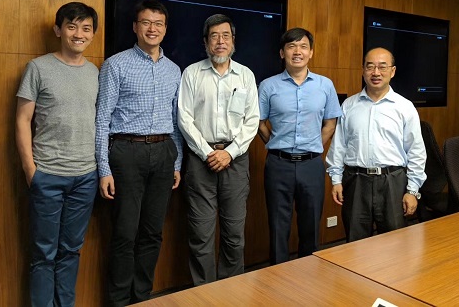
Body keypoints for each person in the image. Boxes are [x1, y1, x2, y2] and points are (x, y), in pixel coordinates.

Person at [95, 0, 183, 306]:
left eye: (158, 24)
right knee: (125, 233)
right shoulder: (116, 64)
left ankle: (142, 298)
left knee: (152, 232)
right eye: (146, 22)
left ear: (165, 29)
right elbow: (102, 119)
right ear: (135, 27)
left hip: (164, 151)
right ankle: (119, 301)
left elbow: (176, 120)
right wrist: (104, 168)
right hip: (126, 152)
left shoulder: (174, 70)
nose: (152, 29)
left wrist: (177, 162)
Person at [15, 1, 99, 307]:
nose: (79, 34)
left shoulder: (94, 72)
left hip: (85, 177)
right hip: (48, 175)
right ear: (58, 30)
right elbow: (22, 120)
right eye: (72, 26)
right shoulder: (38, 68)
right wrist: (31, 170)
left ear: (92, 34)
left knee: (70, 251)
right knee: (44, 254)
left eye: (86, 28)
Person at [177, 14, 259, 285]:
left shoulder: (245, 75)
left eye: (226, 36)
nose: (220, 41)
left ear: (233, 41)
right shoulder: (192, 73)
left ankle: (231, 292)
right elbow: (184, 118)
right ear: (206, 42)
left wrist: (230, 152)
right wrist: (207, 153)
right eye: (214, 36)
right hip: (201, 160)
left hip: (235, 159)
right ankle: (203, 294)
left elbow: (252, 120)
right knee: (201, 234)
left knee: (234, 234)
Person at [258, 28, 342, 264]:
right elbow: (259, 123)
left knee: (311, 226)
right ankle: (277, 275)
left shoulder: (325, 85)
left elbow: (330, 124)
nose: (298, 52)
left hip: (312, 165)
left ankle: (309, 275)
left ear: (311, 52)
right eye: (291, 46)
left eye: (303, 46)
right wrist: (275, 144)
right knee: (278, 226)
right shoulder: (268, 86)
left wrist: (313, 146)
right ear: (282, 53)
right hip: (278, 164)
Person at [326, 47, 426, 242]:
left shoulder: (405, 107)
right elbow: (339, 146)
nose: (376, 72)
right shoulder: (349, 105)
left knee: (394, 244)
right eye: (370, 67)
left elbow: (416, 151)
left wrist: (412, 191)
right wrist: (336, 180)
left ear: (392, 71)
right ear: (363, 71)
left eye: (382, 67)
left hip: (392, 182)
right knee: (355, 244)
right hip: (356, 181)